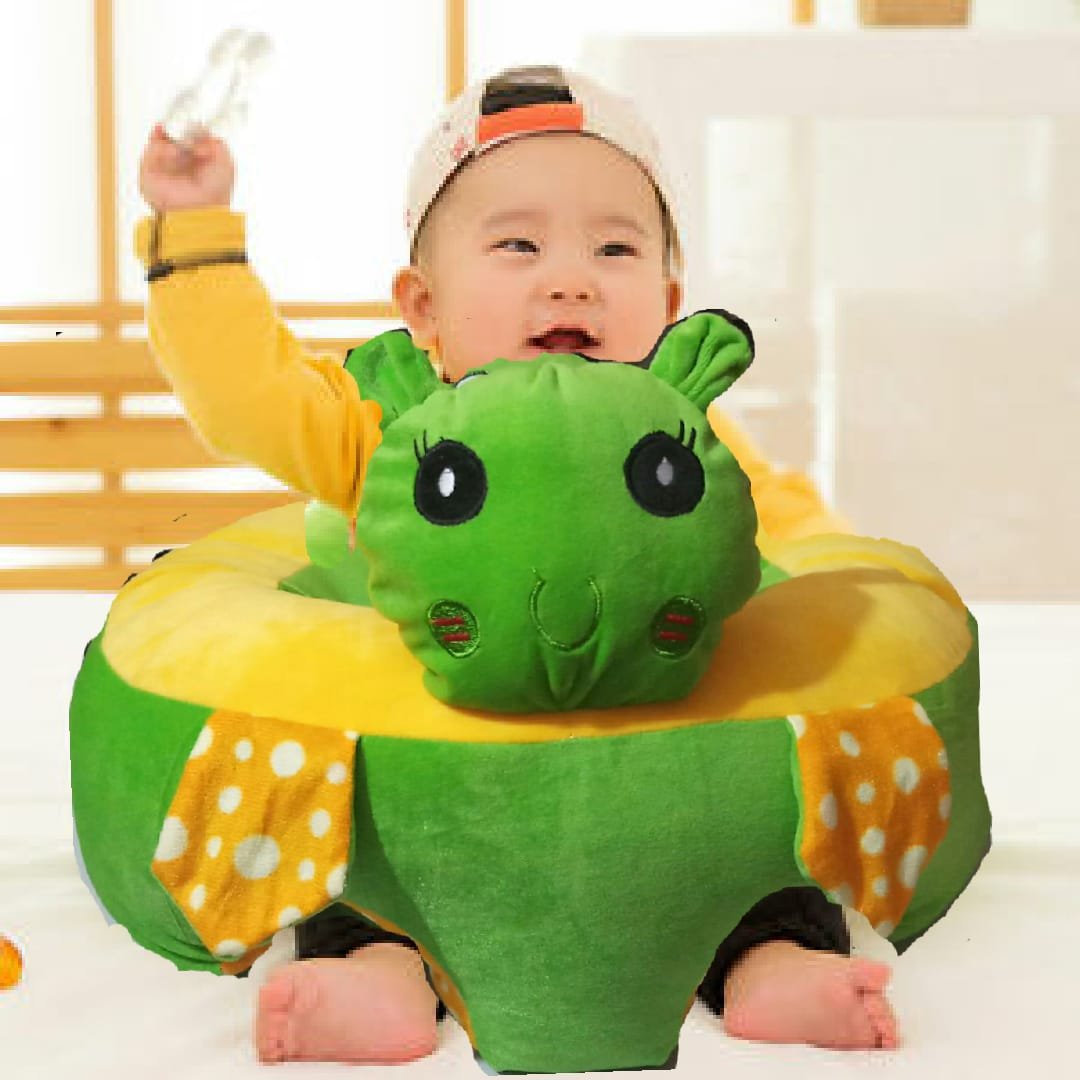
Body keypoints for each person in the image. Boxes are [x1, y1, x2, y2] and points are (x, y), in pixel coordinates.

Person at [136, 64, 898, 1067]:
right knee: (364, 861)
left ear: (668, 305)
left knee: (760, 850)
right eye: (519, 245)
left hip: (648, 782)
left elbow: (795, 549)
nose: (571, 278)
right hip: (451, 780)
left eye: (614, 248)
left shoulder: (682, 448)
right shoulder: (389, 437)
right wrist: (195, 229)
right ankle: (380, 972)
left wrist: (859, 612)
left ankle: (773, 965)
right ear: (425, 310)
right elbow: (248, 396)